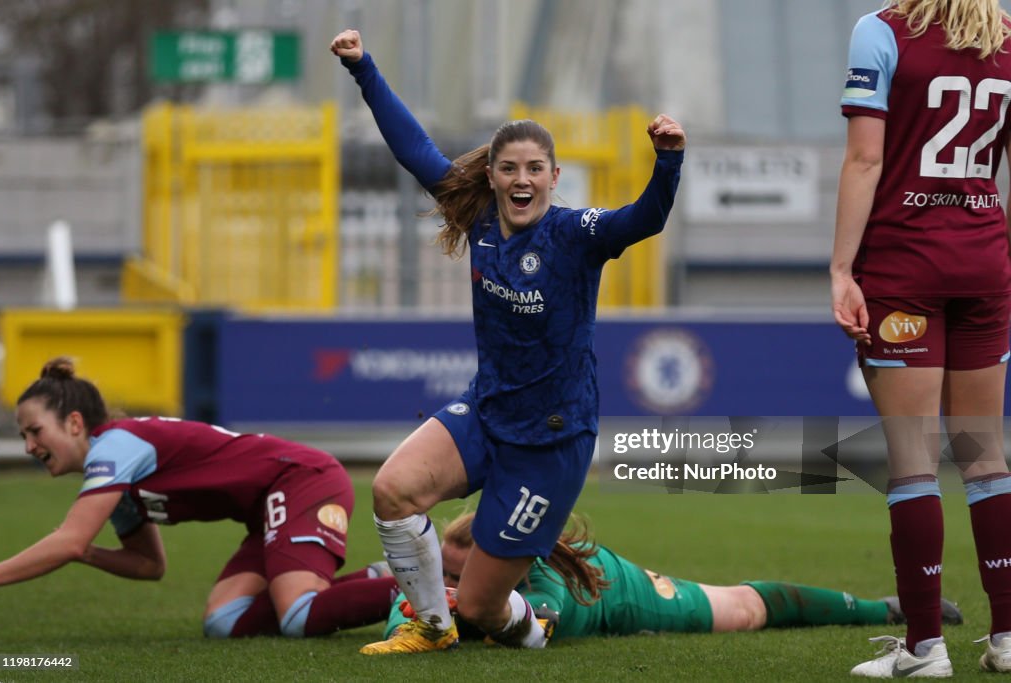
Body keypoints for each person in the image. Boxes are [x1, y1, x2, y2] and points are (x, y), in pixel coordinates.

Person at [330, 28, 685, 655]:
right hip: (488, 412)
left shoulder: (578, 234)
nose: (522, 179)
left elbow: (645, 218)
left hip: (550, 441)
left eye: (534, 169)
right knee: (391, 489)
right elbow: (414, 149)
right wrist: (362, 67)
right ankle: (431, 627)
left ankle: (528, 629)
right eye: (509, 168)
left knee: (485, 607)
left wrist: (669, 159)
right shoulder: (480, 220)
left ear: (553, 177)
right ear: (491, 176)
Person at [832, 0, 1011, 676]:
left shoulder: (881, 30)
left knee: (913, 460)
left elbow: (864, 160)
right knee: (985, 455)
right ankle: (1007, 636)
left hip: (905, 267)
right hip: (983, 265)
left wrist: (841, 268)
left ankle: (925, 645)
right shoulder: (1008, 38)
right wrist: (997, 254)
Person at [0, 358, 398, 639]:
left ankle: (428, 590)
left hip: (302, 480)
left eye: (34, 431)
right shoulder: (117, 475)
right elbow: (149, 565)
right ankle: (379, 581)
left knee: (298, 614)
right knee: (224, 621)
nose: (27, 446)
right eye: (23, 435)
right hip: (268, 509)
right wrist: (85, 553)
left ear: (74, 422)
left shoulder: (114, 448)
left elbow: (70, 537)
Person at [383, 512, 964, 641]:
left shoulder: (540, 575)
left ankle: (882, 608)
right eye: (447, 578)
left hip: (623, 594)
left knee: (744, 610)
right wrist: (410, 615)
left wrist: (460, 612)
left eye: (460, 577)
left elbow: (545, 625)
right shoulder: (445, 571)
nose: (449, 588)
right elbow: (406, 604)